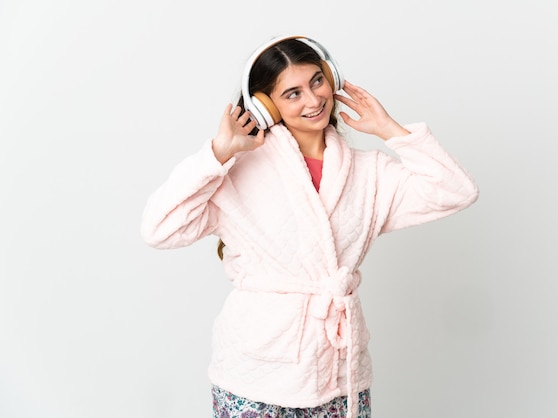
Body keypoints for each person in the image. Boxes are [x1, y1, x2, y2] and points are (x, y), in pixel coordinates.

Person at [140, 35, 479, 418]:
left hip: (336, 373)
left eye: (317, 81)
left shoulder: (369, 173)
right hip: (255, 374)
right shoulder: (236, 170)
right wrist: (217, 153)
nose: (313, 100)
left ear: (332, 78)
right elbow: (159, 229)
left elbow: (457, 190)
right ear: (266, 107)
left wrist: (388, 129)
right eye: (293, 93)